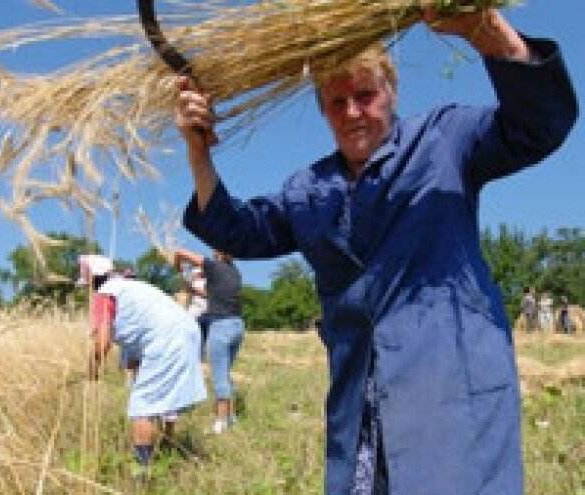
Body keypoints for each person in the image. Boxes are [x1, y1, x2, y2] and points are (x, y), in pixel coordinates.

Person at [175, 7, 576, 495]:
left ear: (391, 93)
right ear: (323, 111)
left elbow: (539, 125)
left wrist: (484, 29)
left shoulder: (443, 141)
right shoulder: (309, 189)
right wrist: (200, 153)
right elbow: (237, 230)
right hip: (360, 412)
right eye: (336, 102)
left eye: (365, 95)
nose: (352, 113)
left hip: (449, 400)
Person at [80, 255, 207, 475]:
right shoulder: (131, 286)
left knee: (142, 406)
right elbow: (139, 332)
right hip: (187, 331)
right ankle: (167, 446)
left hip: (166, 339)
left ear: (92, 280)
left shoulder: (105, 294)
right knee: (163, 397)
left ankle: (142, 473)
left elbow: (103, 341)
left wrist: (92, 368)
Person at [174, 248, 244, 434]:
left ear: (217, 253)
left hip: (220, 327)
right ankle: (231, 416)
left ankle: (220, 424)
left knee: (219, 377)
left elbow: (180, 252)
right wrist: (194, 290)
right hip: (238, 325)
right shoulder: (235, 271)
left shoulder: (213, 266)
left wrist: (177, 265)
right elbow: (213, 295)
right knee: (226, 372)